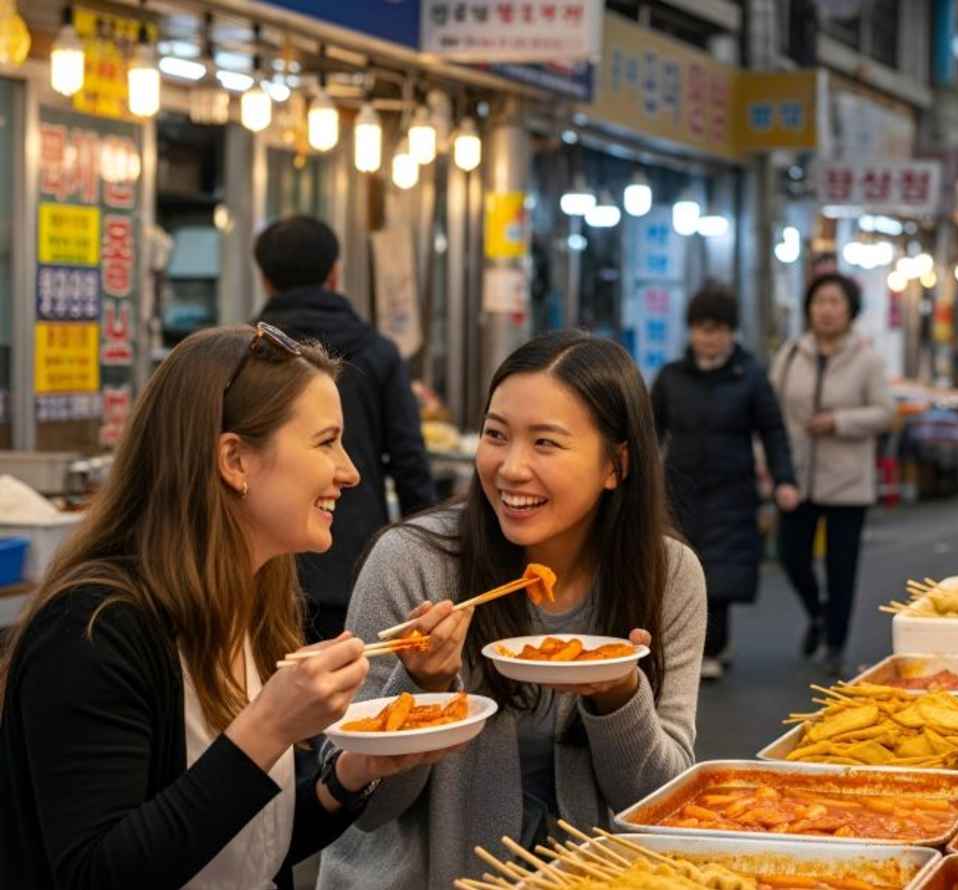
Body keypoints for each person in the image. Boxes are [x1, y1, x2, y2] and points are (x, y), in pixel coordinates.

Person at [0, 325, 451, 890]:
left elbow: (250, 844)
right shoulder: (92, 626)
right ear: (234, 460)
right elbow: (98, 872)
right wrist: (267, 727)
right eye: (325, 441)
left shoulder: (249, 602)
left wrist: (351, 775)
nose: (351, 471)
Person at [317, 331, 705, 890]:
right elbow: (363, 805)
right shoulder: (414, 562)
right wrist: (424, 685)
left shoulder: (668, 575)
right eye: (496, 435)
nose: (511, 468)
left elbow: (660, 802)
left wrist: (618, 695)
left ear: (615, 466)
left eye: (545, 443)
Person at [253, 215, 437, 643]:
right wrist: (423, 558)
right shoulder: (376, 351)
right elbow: (410, 463)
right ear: (335, 274)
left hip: (261, 563)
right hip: (357, 560)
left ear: (265, 280)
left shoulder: (248, 353)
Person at [652, 284, 798, 681]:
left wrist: (784, 479)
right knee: (679, 568)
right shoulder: (670, 378)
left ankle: (713, 648)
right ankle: (690, 646)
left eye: (718, 329)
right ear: (690, 331)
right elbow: (649, 430)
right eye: (701, 328)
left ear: (732, 332)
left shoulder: (750, 377)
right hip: (680, 487)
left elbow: (773, 431)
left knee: (720, 573)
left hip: (732, 488)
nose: (709, 338)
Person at [772, 273, 892, 675]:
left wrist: (840, 421)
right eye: (819, 301)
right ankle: (818, 615)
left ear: (850, 310)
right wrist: (769, 463)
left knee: (842, 569)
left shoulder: (867, 358)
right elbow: (771, 413)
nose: (825, 310)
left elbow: (885, 413)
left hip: (847, 482)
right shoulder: (790, 354)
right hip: (796, 476)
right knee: (792, 557)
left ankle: (835, 644)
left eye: (834, 302)